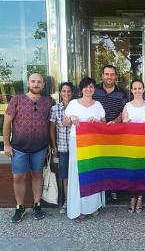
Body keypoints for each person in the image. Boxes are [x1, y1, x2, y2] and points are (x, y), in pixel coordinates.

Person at [3, 73, 52, 223]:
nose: (36, 84)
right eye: (33, 81)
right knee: (18, 177)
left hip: (40, 147)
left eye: (39, 82)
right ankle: (20, 206)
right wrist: (6, 144)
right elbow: (6, 123)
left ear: (43, 85)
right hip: (19, 148)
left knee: (37, 175)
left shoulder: (49, 102)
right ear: (28, 83)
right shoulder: (16, 100)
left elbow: (51, 125)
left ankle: (37, 204)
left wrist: (50, 144)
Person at [64, 77, 106, 220]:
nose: (88, 89)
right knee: (78, 172)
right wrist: (71, 118)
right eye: (86, 87)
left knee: (92, 172)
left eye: (91, 87)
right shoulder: (73, 104)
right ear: (81, 89)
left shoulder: (98, 105)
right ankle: (79, 208)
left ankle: (93, 207)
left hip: (93, 143)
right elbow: (64, 122)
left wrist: (98, 121)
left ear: (94, 89)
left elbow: (104, 123)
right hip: (77, 141)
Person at [93, 65, 128, 204]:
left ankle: (113, 190)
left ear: (116, 76)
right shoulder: (93, 89)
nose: (109, 77)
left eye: (112, 74)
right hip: (97, 133)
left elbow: (124, 111)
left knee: (113, 162)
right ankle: (100, 191)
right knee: (99, 161)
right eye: (107, 74)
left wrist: (114, 122)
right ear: (102, 75)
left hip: (115, 132)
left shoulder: (122, 93)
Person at [122, 79, 145, 213]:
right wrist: (125, 122)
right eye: (135, 88)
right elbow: (122, 127)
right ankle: (132, 198)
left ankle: (140, 197)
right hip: (130, 145)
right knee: (131, 173)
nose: (137, 91)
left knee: (142, 172)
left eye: (140, 88)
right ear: (131, 90)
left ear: (143, 89)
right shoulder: (127, 106)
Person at [49, 82, 74, 214]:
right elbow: (52, 129)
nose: (66, 94)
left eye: (69, 91)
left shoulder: (77, 107)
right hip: (63, 148)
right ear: (60, 93)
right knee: (64, 176)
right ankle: (67, 202)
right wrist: (54, 146)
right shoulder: (55, 109)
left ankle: (76, 201)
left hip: (77, 149)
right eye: (63, 91)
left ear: (72, 93)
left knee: (75, 176)